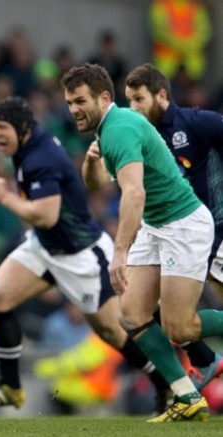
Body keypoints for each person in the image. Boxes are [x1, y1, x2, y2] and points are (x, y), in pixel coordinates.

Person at [0, 96, 172, 415]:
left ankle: (167, 385)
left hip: (80, 256)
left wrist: (4, 197)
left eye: (2, 128)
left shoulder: (40, 159)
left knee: (113, 333)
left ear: (22, 129)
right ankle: (9, 386)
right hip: (45, 246)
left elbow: (46, 215)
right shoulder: (29, 145)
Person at [61, 62, 223, 422]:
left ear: (104, 98)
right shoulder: (109, 129)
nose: (72, 109)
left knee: (179, 328)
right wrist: (90, 162)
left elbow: (134, 193)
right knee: (131, 314)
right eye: (69, 102)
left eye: (79, 100)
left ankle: (202, 372)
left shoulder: (119, 129)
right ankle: (186, 396)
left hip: (183, 224)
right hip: (156, 225)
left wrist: (120, 252)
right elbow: (96, 183)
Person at [124, 62, 223, 389]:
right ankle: (204, 360)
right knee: (144, 308)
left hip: (211, 229)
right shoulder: (139, 136)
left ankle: (204, 361)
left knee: (176, 317)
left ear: (162, 95)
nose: (133, 108)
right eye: (129, 101)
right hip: (172, 231)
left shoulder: (197, 122)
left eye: (139, 99)